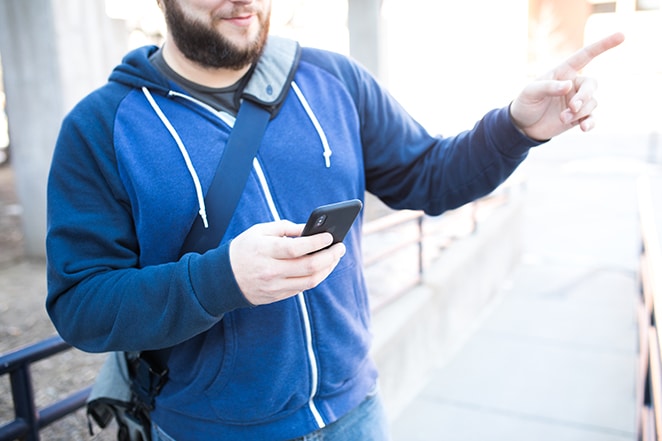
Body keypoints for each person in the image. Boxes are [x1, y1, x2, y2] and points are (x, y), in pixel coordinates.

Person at [45, 0, 624, 440]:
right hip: (210, 429)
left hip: (357, 413)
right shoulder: (101, 127)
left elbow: (429, 175)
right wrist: (220, 280)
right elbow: (81, 305)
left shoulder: (333, 79)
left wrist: (515, 129)